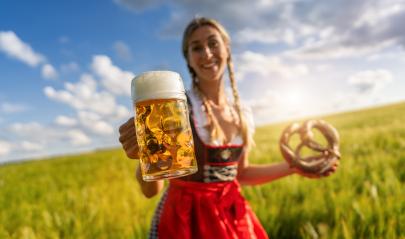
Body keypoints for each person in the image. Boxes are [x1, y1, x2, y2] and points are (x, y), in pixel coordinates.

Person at [119, 17, 339, 239]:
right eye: (196, 48)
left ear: (227, 48)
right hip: (185, 220)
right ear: (189, 59)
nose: (206, 53)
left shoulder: (241, 112)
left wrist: (295, 166)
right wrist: (146, 156)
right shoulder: (175, 109)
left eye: (213, 43)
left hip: (230, 215)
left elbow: (240, 174)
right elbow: (151, 191)